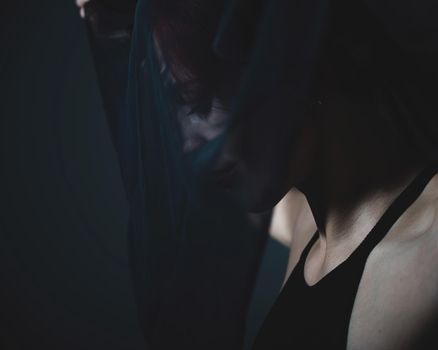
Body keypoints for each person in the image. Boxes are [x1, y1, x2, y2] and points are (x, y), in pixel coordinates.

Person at [79, 0, 438, 349]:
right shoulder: (308, 223)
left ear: (288, 72)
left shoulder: (423, 254)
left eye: (203, 101)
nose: (188, 145)